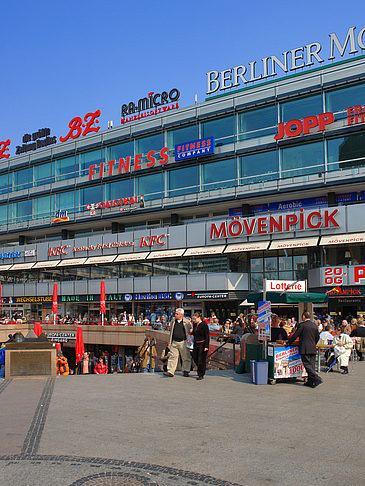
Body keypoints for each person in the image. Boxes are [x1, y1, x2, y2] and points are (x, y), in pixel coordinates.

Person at [287, 311, 322, 388]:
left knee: (306, 364)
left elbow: (296, 335)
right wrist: (314, 343)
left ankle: (316, 377)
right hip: (312, 348)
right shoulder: (314, 325)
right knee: (311, 365)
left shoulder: (302, 325)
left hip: (304, 348)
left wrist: (289, 342)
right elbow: (317, 337)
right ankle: (311, 381)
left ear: (303, 316)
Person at [164, 308, 192, 377]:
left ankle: (186, 370)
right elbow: (171, 332)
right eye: (175, 313)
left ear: (181, 315)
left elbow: (190, 331)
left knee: (185, 357)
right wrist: (169, 342)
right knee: (172, 357)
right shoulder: (173, 321)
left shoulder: (187, 322)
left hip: (183, 342)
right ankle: (170, 371)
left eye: (177, 314)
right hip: (174, 342)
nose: (175, 315)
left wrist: (189, 342)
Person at [192, 312, 210, 380]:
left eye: (195, 319)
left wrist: (206, 346)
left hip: (202, 344)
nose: (194, 320)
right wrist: (192, 331)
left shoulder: (204, 325)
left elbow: (207, 336)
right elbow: (194, 333)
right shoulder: (195, 324)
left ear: (199, 318)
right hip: (196, 343)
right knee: (195, 357)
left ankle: (201, 374)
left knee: (201, 359)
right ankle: (200, 370)